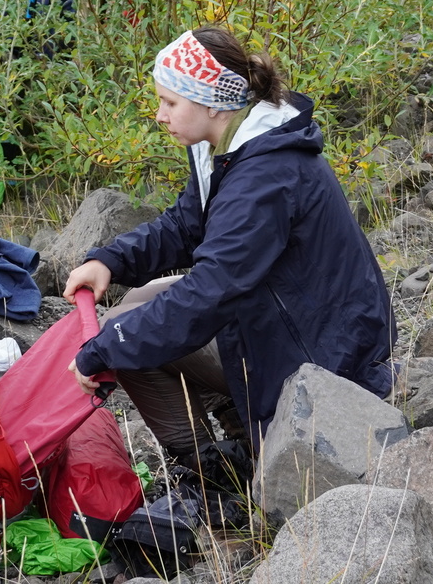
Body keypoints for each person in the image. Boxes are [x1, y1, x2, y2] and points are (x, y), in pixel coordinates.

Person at [64, 29, 392, 478]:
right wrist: (110, 261)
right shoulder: (231, 148)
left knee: (122, 336)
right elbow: (185, 225)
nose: (160, 116)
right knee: (140, 303)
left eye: (170, 103)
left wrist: (104, 349)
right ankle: (238, 426)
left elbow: (212, 290)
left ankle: (213, 474)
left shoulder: (264, 174)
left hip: (319, 353)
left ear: (212, 101)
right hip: (287, 318)